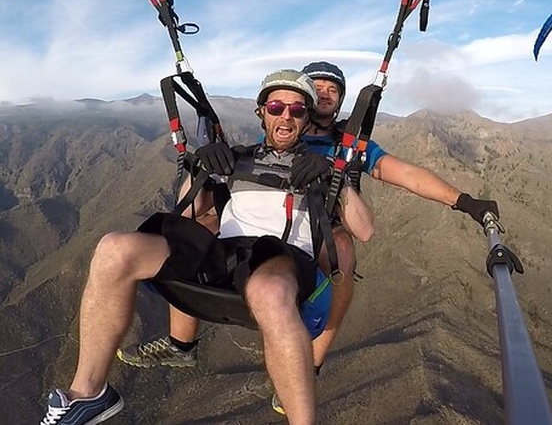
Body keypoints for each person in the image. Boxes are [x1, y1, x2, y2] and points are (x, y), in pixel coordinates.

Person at [116, 60, 499, 415]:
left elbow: (408, 174)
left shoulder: (350, 148)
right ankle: (181, 342)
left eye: (334, 88)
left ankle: (312, 358)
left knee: (344, 248)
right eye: (317, 86)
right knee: (201, 227)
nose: (325, 92)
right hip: (260, 224)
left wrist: (464, 202)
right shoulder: (284, 126)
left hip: (318, 228)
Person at [39, 69, 374, 425]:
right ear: (262, 112)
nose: (286, 116)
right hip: (224, 256)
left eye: (297, 110)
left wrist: (336, 180)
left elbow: (364, 230)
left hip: (282, 258)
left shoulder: (320, 171)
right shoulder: (235, 159)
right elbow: (191, 210)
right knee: (113, 248)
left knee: (270, 288)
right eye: (276, 106)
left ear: (307, 120)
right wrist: (200, 169)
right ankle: (89, 393)